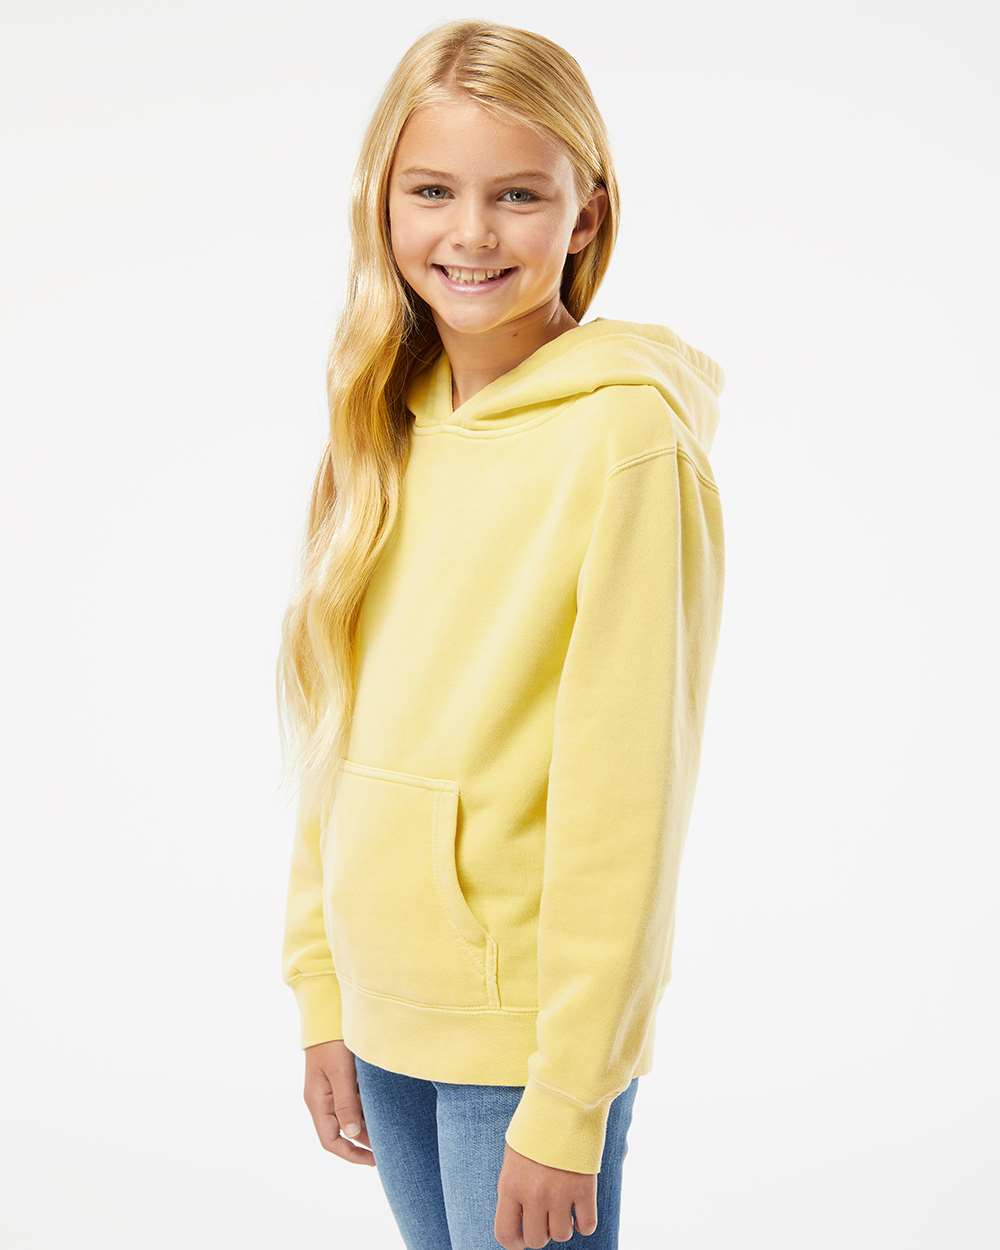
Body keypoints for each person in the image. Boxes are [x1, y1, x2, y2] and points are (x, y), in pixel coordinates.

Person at [276, 19, 726, 1250]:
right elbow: (332, 726)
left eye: (517, 195)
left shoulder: (623, 438)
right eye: (432, 191)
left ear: (584, 217)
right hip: (381, 1006)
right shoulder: (381, 420)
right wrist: (322, 985)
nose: (470, 233)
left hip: (524, 1043)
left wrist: (569, 1096)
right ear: (382, 202)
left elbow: (627, 795)